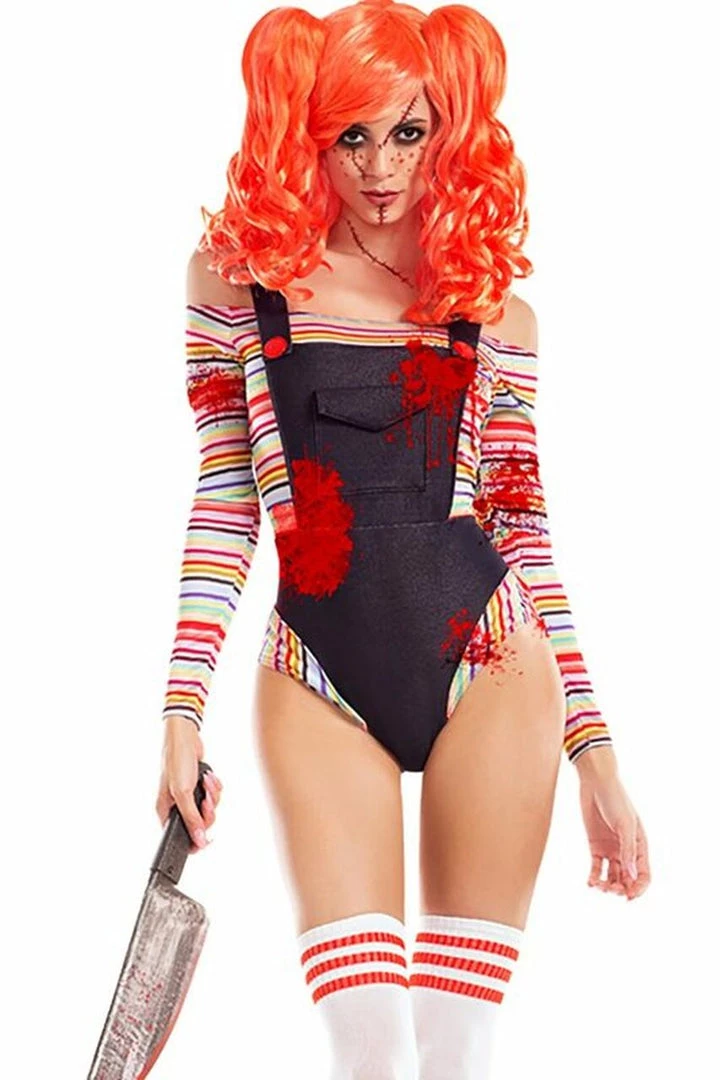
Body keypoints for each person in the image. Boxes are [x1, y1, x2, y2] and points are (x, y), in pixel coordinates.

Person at [156, 1, 651, 1076]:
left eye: (407, 133)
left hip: (492, 659)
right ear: (310, 133)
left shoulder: (494, 312)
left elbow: (523, 527)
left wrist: (597, 757)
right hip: (315, 666)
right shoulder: (238, 285)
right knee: (370, 1042)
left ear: (445, 130)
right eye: (352, 136)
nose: (381, 168)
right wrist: (181, 711)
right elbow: (227, 496)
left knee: (456, 1046)